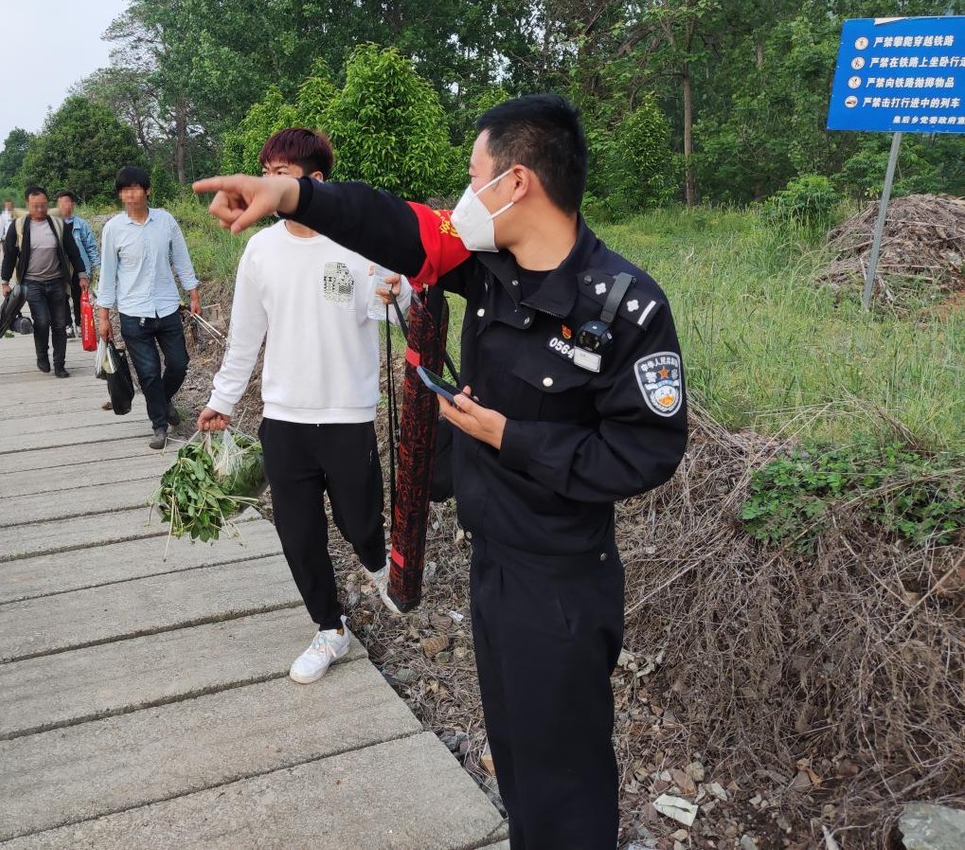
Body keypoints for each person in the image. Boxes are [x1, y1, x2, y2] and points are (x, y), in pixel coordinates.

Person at [195, 95, 688, 849]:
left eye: (474, 175)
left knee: (566, 779)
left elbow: (648, 449)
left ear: (516, 182)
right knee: (520, 763)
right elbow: (396, 225)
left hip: (559, 581)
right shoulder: (486, 269)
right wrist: (293, 195)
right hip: (490, 565)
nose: (464, 197)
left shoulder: (625, 305)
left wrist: (510, 436)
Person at [196, 128, 411, 685]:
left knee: (359, 521)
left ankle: (377, 563)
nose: (268, 184)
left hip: (347, 414)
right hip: (284, 419)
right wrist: (221, 400)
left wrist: (398, 291)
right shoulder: (261, 249)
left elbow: (389, 312)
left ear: (315, 182)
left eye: (281, 175)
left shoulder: (356, 242)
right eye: (265, 172)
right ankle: (330, 627)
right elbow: (245, 335)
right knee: (298, 534)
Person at [96, 166, 201, 450]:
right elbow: (107, 275)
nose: (130, 195)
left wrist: (193, 294)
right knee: (149, 372)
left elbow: (181, 258)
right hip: (133, 312)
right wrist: (103, 316)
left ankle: (162, 400)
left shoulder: (165, 221)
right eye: (124, 190)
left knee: (179, 363)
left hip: (167, 307)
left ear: (147, 191)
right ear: (120, 195)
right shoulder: (113, 229)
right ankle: (159, 425)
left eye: (136, 188)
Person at [1, 186, 88, 378]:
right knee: (42, 321)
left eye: (43, 206)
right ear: (27, 205)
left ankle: (60, 364)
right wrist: (5, 281)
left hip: (57, 282)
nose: (40, 210)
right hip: (32, 283)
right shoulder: (18, 226)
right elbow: (9, 255)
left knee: (59, 324)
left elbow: (73, 251)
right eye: (35, 206)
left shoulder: (58, 224)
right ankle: (42, 356)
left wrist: (81, 274)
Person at [55, 191, 100, 332]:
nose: (63, 206)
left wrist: (97, 267)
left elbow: (90, 247)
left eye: (66, 202)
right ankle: (67, 324)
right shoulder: (54, 224)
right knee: (62, 296)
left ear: (73, 204)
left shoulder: (81, 224)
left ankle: (81, 324)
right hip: (60, 266)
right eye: (60, 203)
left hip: (79, 266)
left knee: (79, 295)